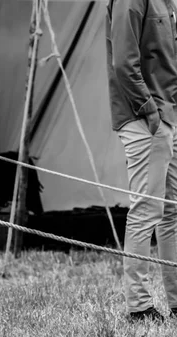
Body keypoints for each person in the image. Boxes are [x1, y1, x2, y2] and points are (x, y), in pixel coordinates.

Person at [107, 0, 177, 322]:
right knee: (146, 210)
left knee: (171, 211)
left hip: (167, 115)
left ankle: (175, 301)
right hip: (147, 117)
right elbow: (124, 61)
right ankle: (139, 307)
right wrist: (149, 110)